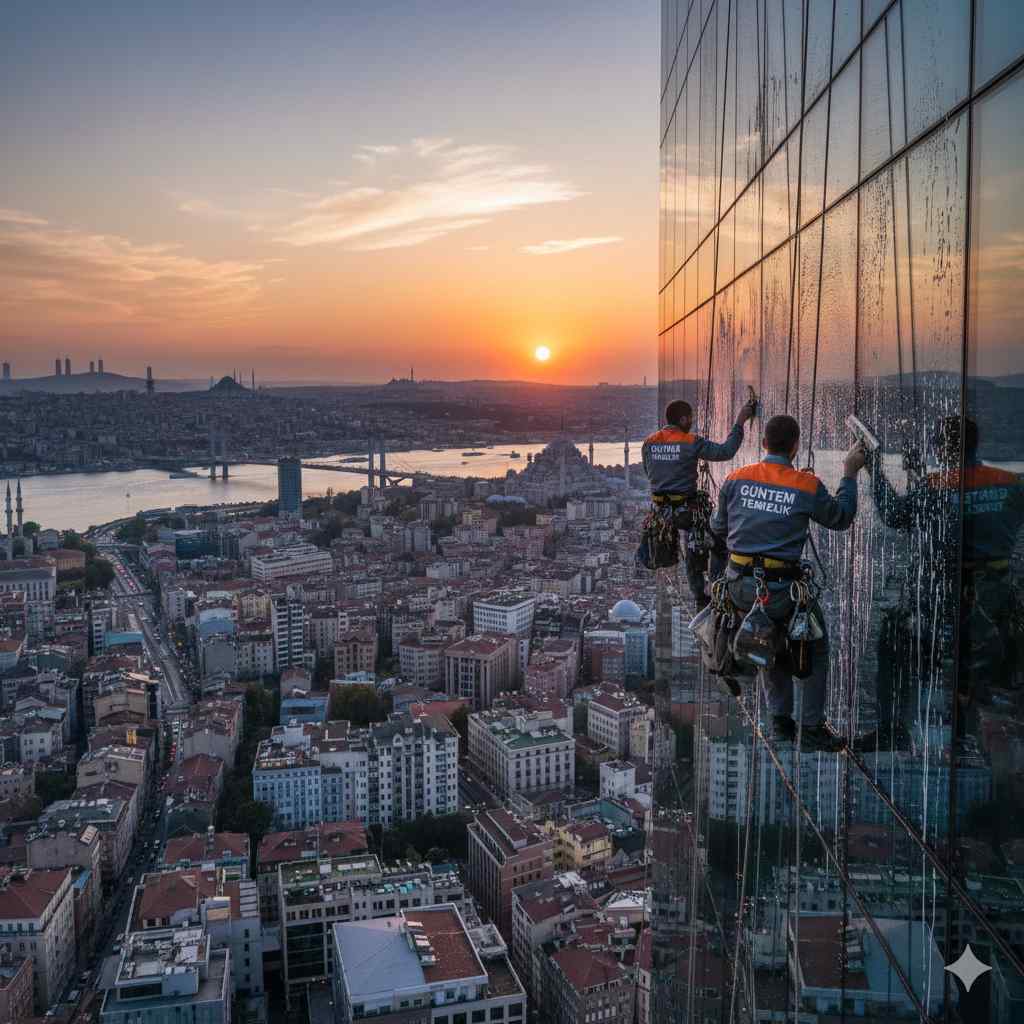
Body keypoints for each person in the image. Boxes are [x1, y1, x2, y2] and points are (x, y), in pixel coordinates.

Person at [861, 416, 1024, 748]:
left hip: (944, 597)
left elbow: (898, 515)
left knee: (893, 642)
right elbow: (961, 510)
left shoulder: (935, 486)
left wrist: (875, 469)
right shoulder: (1010, 482)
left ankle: (892, 728)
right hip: (995, 600)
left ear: (942, 448)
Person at [708, 414, 867, 752]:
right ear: (795, 446)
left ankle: (780, 721)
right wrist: (849, 473)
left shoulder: (736, 479)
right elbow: (841, 517)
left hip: (739, 585)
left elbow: (719, 528)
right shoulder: (805, 486)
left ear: (764, 444)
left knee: (769, 639)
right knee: (814, 646)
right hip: (780, 588)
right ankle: (810, 726)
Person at [642, 397, 757, 608]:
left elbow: (650, 473)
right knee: (718, 543)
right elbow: (726, 451)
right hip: (687, 510)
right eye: (690, 419)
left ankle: (699, 597)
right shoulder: (690, 442)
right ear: (683, 419)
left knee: (692, 549)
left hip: (660, 512)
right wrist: (740, 421)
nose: (691, 423)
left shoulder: (649, 442)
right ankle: (717, 587)